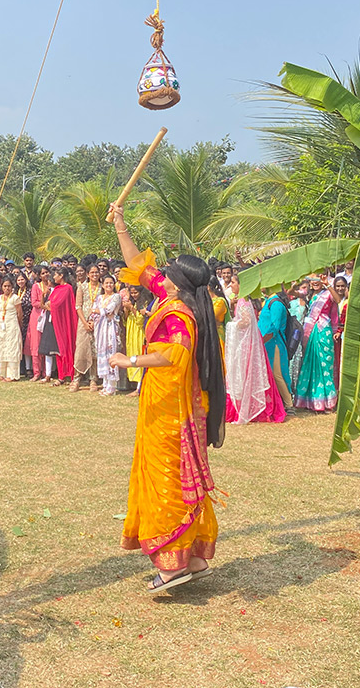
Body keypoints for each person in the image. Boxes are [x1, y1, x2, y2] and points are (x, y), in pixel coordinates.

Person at [108, 204, 224, 593]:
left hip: (171, 409)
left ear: (176, 283)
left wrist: (130, 360)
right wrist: (121, 224)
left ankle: (173, 566)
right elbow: (139, 265)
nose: (161, 275)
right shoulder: (173, 296)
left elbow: (172, 355)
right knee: (172, 475)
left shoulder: (179, 314)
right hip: (163, 401)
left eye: (167, 272)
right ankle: (192, 558)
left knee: (166, 478)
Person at [224, 274, 286, 424]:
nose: (231, 285)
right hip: (247, 342)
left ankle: (253, 409)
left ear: (241, 285)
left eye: (233, 282)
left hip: (247, 345)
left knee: (248, 375)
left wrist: (230, 325)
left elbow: (246, 321)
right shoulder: (242, 300)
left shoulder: (243, 301)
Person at [294, 276, 338, 413]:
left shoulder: (327, 294)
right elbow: (292, 292)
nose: (315, 281)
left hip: (323, 331)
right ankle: (311, 401)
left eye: (318, 278)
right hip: (311, 331)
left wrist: (328, 285)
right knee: (310, 364)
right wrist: (294, 284)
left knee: (324, 365)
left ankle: (328, 402)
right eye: (312, 279)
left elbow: (338, 300)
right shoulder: (309, 295)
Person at [40, 267, 77, 384]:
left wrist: (50, 304)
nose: (53, 277)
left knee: (65, 348)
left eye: (55, 275)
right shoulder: (56, 289)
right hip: (54, 321)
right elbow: (47, 304)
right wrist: (46, 299)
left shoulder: (67, 288)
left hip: (63, 322)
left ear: (61, 276)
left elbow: (55, 305)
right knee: (57, 350)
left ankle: (70, 376)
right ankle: (61, 376)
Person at [258, 285, 293, 411]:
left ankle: (289, 404)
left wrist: (261, 341)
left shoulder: (276, 304)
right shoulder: (268, 301)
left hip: (275, 343)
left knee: (277, 374)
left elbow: (274, 327)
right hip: (268, 343)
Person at [93, 274, 124, 394]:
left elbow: (109, 310)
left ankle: (112, 386)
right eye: (106, 283)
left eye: (111, 283)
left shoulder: (116, 297)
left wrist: (100, 311)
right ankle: (105, 384)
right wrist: (99, 312)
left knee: (111, 353)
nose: (109, 285)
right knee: (102, 353)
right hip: (100, 328)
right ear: (103, 285)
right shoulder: (99, 297)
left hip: (111, 328)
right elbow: (94, 311)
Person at [75, 264, 102, 389]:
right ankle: (77, 378)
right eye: (92, 273)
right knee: (81, 349)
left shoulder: (102, 288)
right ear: (88, 274)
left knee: (95, 350)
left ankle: (93, 379)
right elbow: (78, 306)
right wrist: (85, 323)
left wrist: (94, 322)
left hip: (98, 322)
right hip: (83, 322)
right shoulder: (82, 287)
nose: (95, 275)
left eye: (97, 272)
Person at [0, 276, 23, 382]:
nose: (7, 288)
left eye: (9, 286)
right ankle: (1, 373)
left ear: (12, 287)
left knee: (12, 348)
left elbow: (20, 314)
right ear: (2, 287)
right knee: (2, 347)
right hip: (2, 325)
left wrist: (19, 325)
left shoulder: (15, 298)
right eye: (5, 286)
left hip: (12, 325)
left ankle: (12, 375)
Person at [121, 283, 148, 392]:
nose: (134, 295)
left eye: (136, 293)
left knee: (139, 355)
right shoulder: (131, 302)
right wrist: (126, 311)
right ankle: (134, 384)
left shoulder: (144, 302)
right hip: (131, 333)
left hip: (139, 333)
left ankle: (139, 387)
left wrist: (132, 308)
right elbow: (125, 320)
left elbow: (141, 320)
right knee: (132, 354)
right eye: (132, 293)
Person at [16, 272, 33, 378]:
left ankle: (28, 368)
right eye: (18, 280)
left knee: (27, 345)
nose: (20, 282)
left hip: (28, 320)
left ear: (26, 280)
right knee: (18, 344)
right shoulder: (14, 292)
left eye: (22, 279)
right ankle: (19, 367)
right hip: (16, 321)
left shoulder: (30, 292)